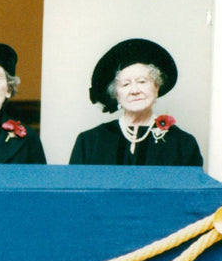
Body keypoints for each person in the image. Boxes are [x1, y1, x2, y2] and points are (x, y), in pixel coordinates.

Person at [69, 38, 202, 166]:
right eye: (125, 84)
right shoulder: (90, 142)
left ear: (156, 87)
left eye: (142, 81)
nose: (134, 90)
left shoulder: (182, 144)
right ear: (116, 94)